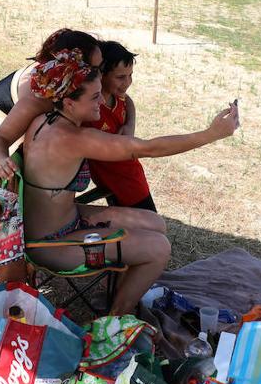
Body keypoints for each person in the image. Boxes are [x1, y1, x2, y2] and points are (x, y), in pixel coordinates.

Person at [21, 49, 238, 316]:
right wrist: (211, 134)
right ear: (69, 103)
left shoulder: (45, 120)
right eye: (94, 96)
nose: (102, 100)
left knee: (155, 223)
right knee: (159, 248)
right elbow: (146, 148)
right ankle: (115, 321)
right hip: (52, 244)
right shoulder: (72, 137)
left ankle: (116, 297)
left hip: (62, 221)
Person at [0, 29, 102, 181]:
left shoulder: (73, 82)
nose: (101, 75)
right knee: (21, 174)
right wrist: (2, 161)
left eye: (101, 67)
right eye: (95, 69)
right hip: (3, 107)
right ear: (72, 70)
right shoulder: (37, 101)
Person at [85, 41, 156, 212]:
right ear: (101, 74)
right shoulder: (90, 107)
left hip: (132, 175)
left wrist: (130, 123)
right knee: (144, 223)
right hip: (118, 181)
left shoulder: (116, 95)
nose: (128, 82)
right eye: (120, 77)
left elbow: (128, 100)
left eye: (130, 75)